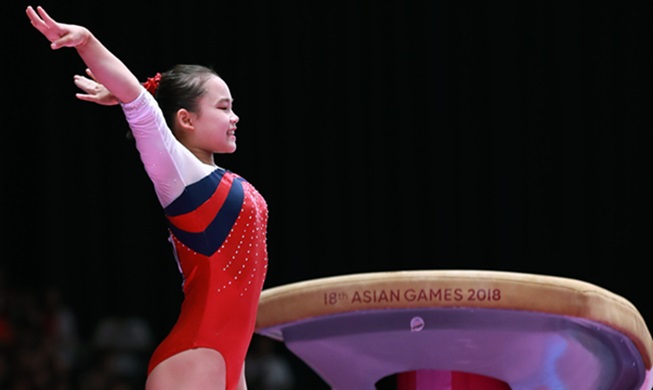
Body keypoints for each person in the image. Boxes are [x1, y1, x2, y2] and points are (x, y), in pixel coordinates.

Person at [26, 5, 269, 390]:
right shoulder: (178, 175)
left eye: (233, 107)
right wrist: (88, 43)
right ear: (186, 119)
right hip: (194, 356)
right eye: (223, 108)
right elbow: (140, 105)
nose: (234, 116)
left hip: (227, 361)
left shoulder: (211, 178)